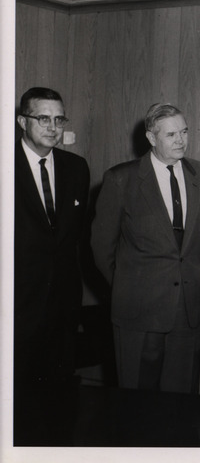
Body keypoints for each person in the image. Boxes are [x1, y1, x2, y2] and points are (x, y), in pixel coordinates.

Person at [91, 103, 200, 393]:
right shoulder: (121, 178)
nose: (180, 140)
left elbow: (191, 246)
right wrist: (129, 286)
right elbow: (101, 247)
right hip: (139, 311)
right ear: (150, 137)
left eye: (184, 132)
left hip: (187, 308)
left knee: (182, 406)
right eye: (171, 135)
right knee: (137, 405)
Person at [14, 87, 90, 389]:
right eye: (43, 118)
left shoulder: (76, 168)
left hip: (62, 310)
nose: (53, 128)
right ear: (23, 121)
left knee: (58, 404)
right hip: (16, 309)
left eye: (59, 119)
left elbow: (73, 237)